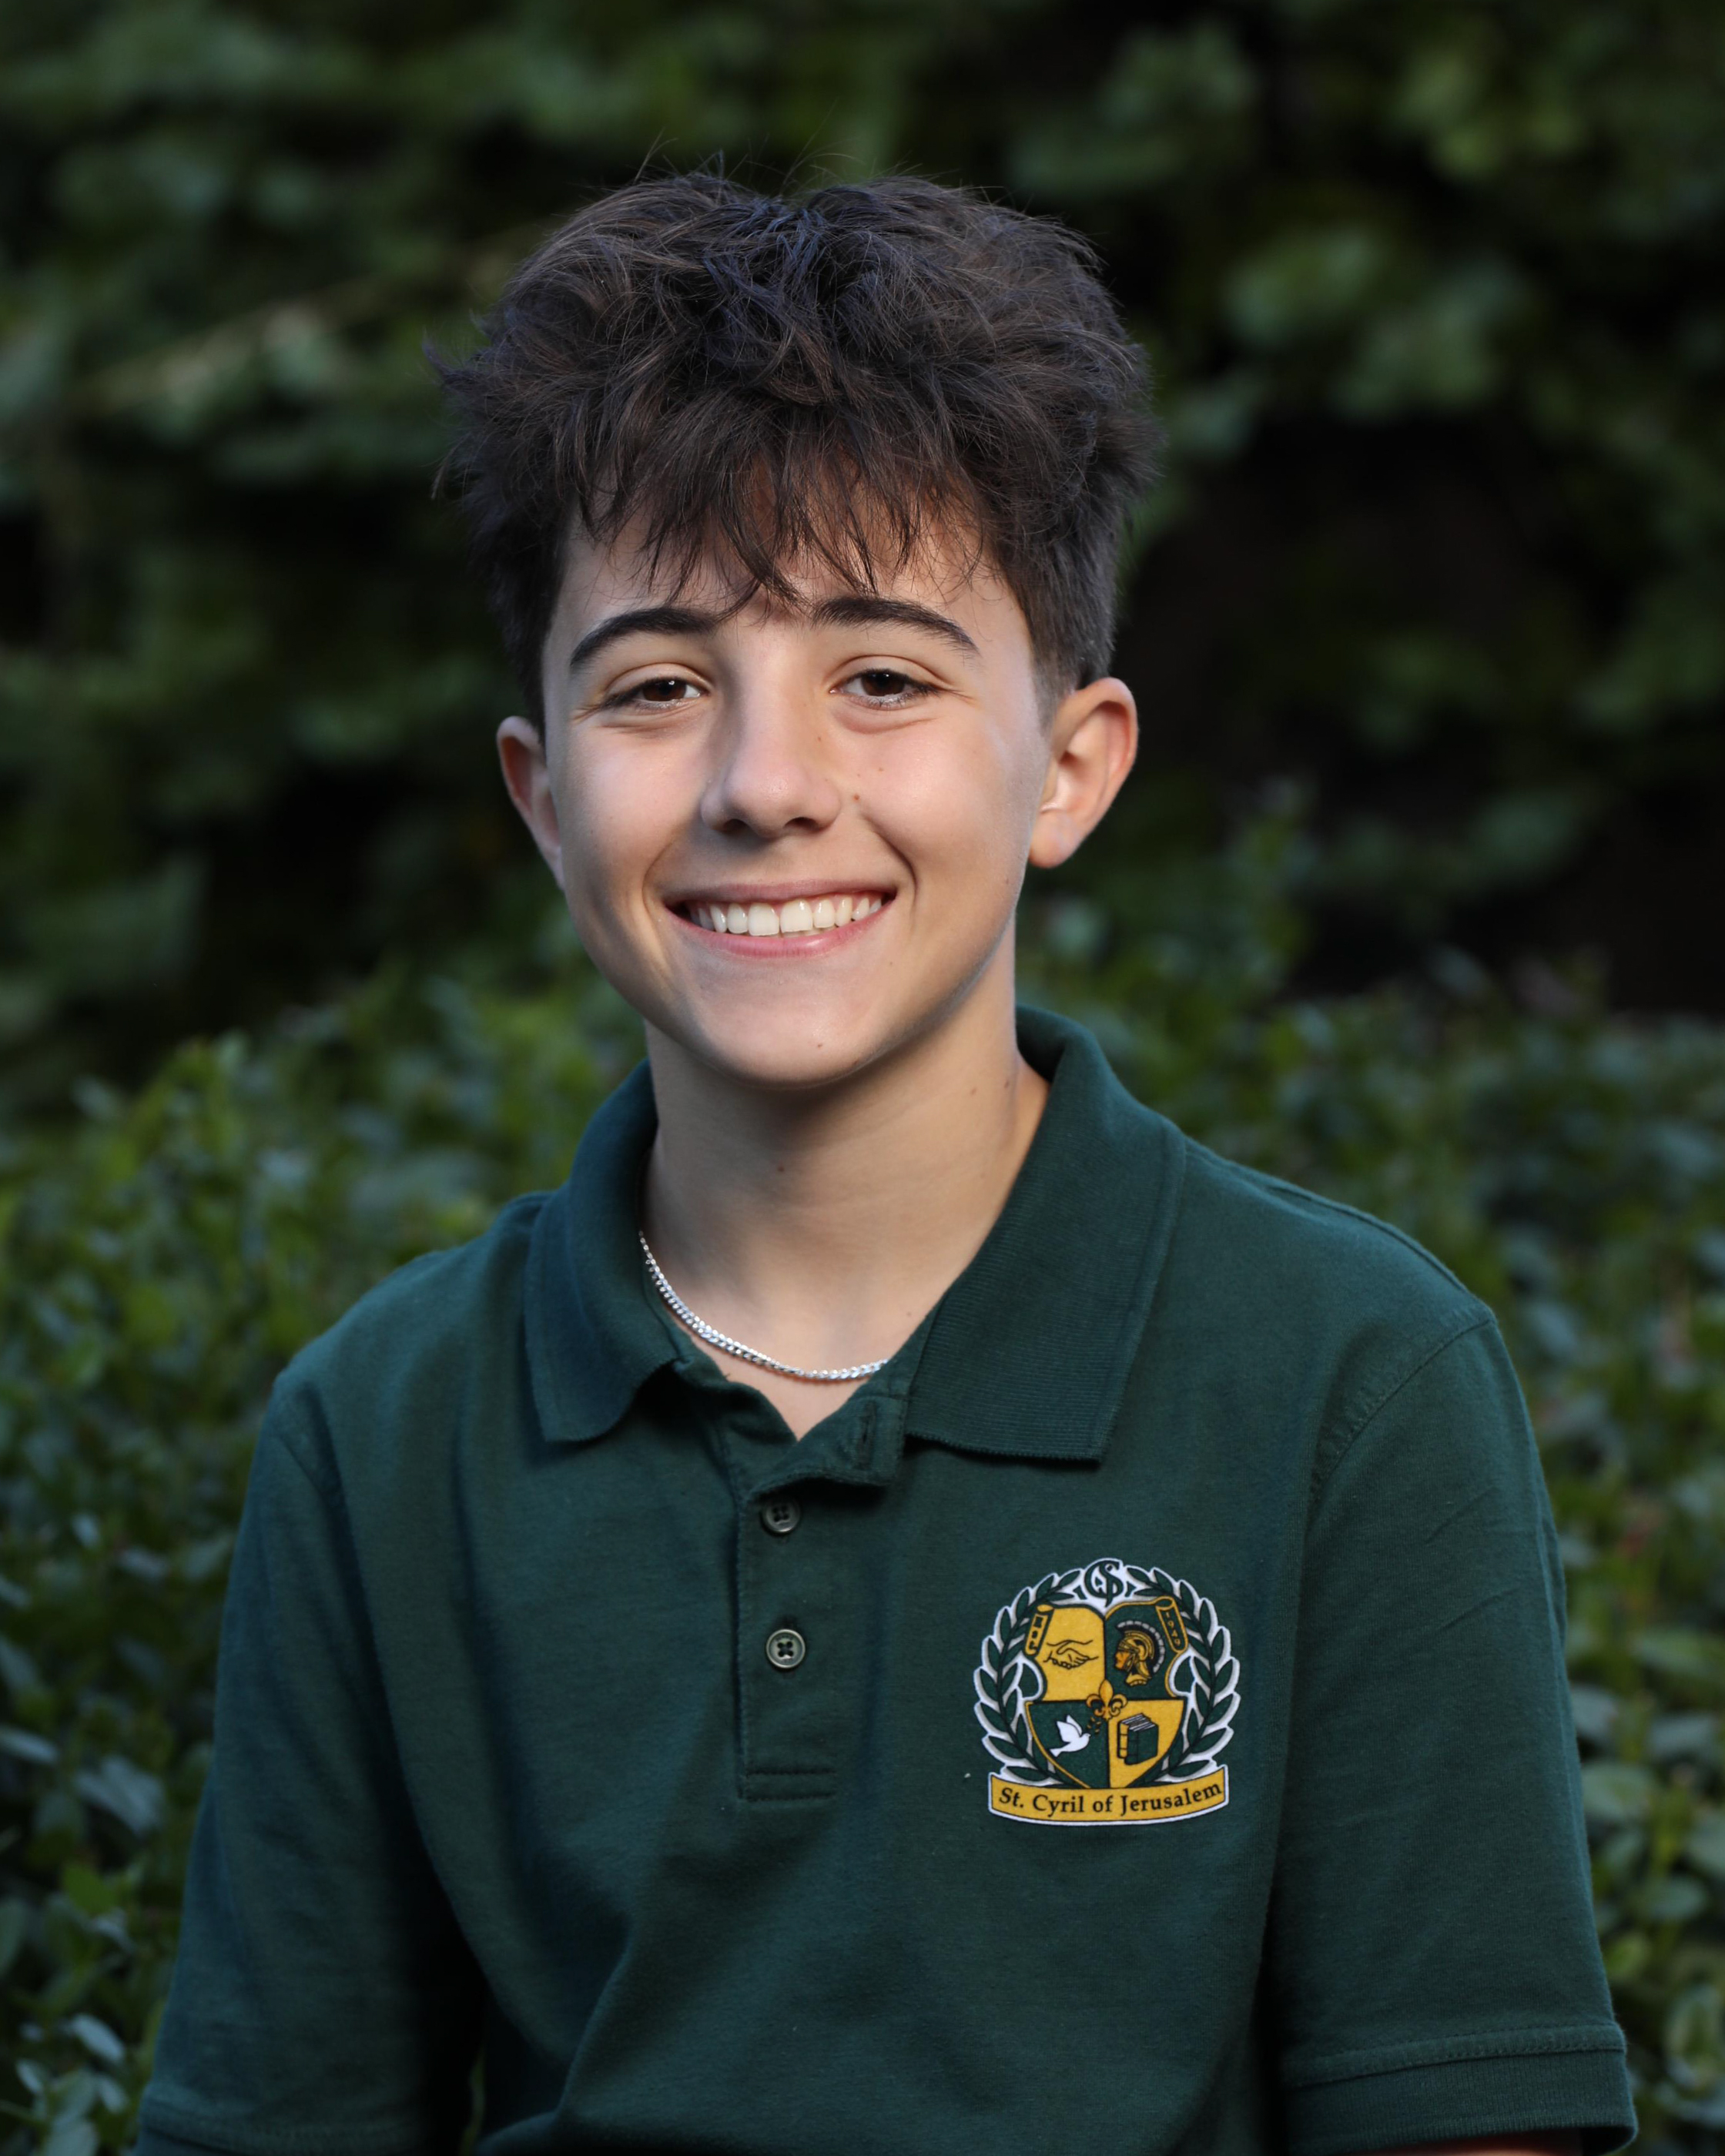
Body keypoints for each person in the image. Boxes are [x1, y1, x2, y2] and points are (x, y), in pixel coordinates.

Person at [135, 172, 1634, 2156]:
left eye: (885, 676)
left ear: (1071, 766)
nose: (767, 784)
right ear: (543, 793)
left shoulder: (1351, 1378)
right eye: (659, 686)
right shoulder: (384, 1426)